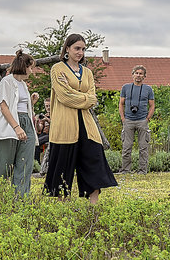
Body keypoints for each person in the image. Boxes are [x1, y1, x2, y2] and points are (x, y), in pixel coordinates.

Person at [44, 34, 117, 204]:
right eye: (77, 48)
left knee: (94, 161)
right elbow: (64, 96)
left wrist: (80, 97)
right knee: (63, 167)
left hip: (87, 125)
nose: (80, 52)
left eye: (83, 49)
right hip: (64, 126)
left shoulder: (88, 72)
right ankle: (62, 210)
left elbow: (93, 98)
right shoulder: (57, 69)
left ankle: (94, 208)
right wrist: (85, 99)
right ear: (67, 49)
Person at [0, 50, 38, 196]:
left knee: (24, 163)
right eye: (30, 67)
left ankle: (21, 199)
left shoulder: (23, 84)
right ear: (24, 66)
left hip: (25, 122)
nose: (31, 70)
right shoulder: (7, 81)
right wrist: (16, 127)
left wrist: (31, 102)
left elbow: (20, 105)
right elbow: (3, 106)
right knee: (2, 164)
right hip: (9, 124)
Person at [118, 65, 155, 174]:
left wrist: (148, 118)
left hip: (142, 121)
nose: (138, 75)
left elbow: (152, 105)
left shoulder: (148, 89)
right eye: (136, 73)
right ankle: (125, 170)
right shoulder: (125, 87)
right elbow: (121, 103)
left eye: (140, 74)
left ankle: (142, 170)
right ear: (132, 74)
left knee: (143, 148)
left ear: (144, 76)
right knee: (126, 147)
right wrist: (123, 118)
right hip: (128, 120)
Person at [34, 97, 51, 163]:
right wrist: (37, 122)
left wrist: (47, 120)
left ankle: (37, 163)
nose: (48, 107)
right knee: (34, 142)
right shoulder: (44, 116)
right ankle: (36, 163)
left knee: (37, 142)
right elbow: (39, 129)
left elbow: (56, 126)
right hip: (43, 135)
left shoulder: (56, 115)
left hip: (51, 135)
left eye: (49, 105)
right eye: (47, 106)